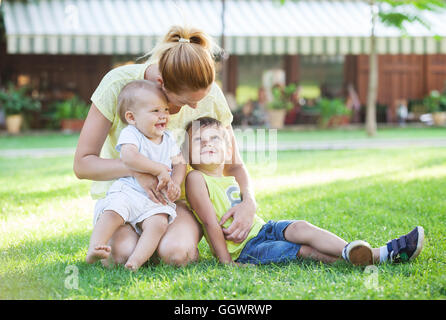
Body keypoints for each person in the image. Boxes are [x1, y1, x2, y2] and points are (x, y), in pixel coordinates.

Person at [74, 25, 257, 267]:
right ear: (161, 83)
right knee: (121, 256)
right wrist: (141, 171)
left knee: (176, 254)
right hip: (123, 197)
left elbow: (234, 165)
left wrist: (249, 202)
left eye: (199, 101)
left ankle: (170, 241)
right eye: (184, 102)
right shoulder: (118, 85)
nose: (195, 108)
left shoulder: (209, 95)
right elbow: (83, 164)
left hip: (176, 203)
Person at [185, 117, 425, 266]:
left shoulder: (230, 176)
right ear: (189, 153)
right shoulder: (196, 179)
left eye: (214, 138)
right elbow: (209, 223)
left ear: (228, 150)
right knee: (305, 251)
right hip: (246, 249)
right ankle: (380, 255)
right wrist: (227, 263)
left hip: (264, 228)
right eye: (199, 140)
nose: (207, 143)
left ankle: (354, 250)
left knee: (302, 226)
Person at [86, 80, 186, 271]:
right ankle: (95, 246)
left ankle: (135, 262)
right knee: (113, 212)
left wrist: (175, 181)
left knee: (158, 223)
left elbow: (179, 162)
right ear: (132, 118)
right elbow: (128, 157)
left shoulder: (168, 138)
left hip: (154, 199)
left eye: (165, 109)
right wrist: (158, 169)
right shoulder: (132, 134)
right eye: (155, 111)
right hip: (128, 191)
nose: (163, 115)